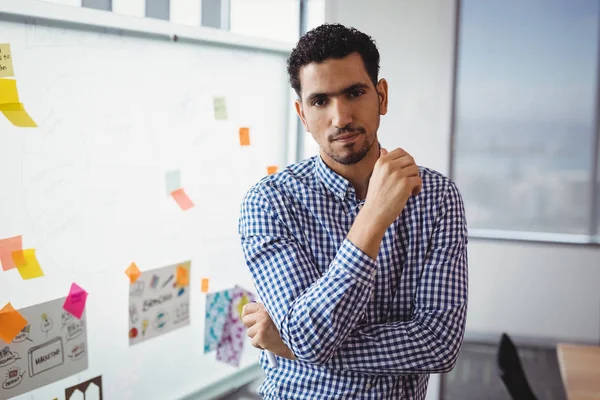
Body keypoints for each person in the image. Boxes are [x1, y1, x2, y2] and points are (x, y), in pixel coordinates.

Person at [238, 23, 468, 399]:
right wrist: (373, 217)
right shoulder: (270, 202)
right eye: (320, 101)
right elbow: (310, 337)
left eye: (354, 93)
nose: (341, 117)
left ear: (382, 96)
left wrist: (290, 344)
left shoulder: (437, 196)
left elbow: (439, 345)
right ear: (301, 114)